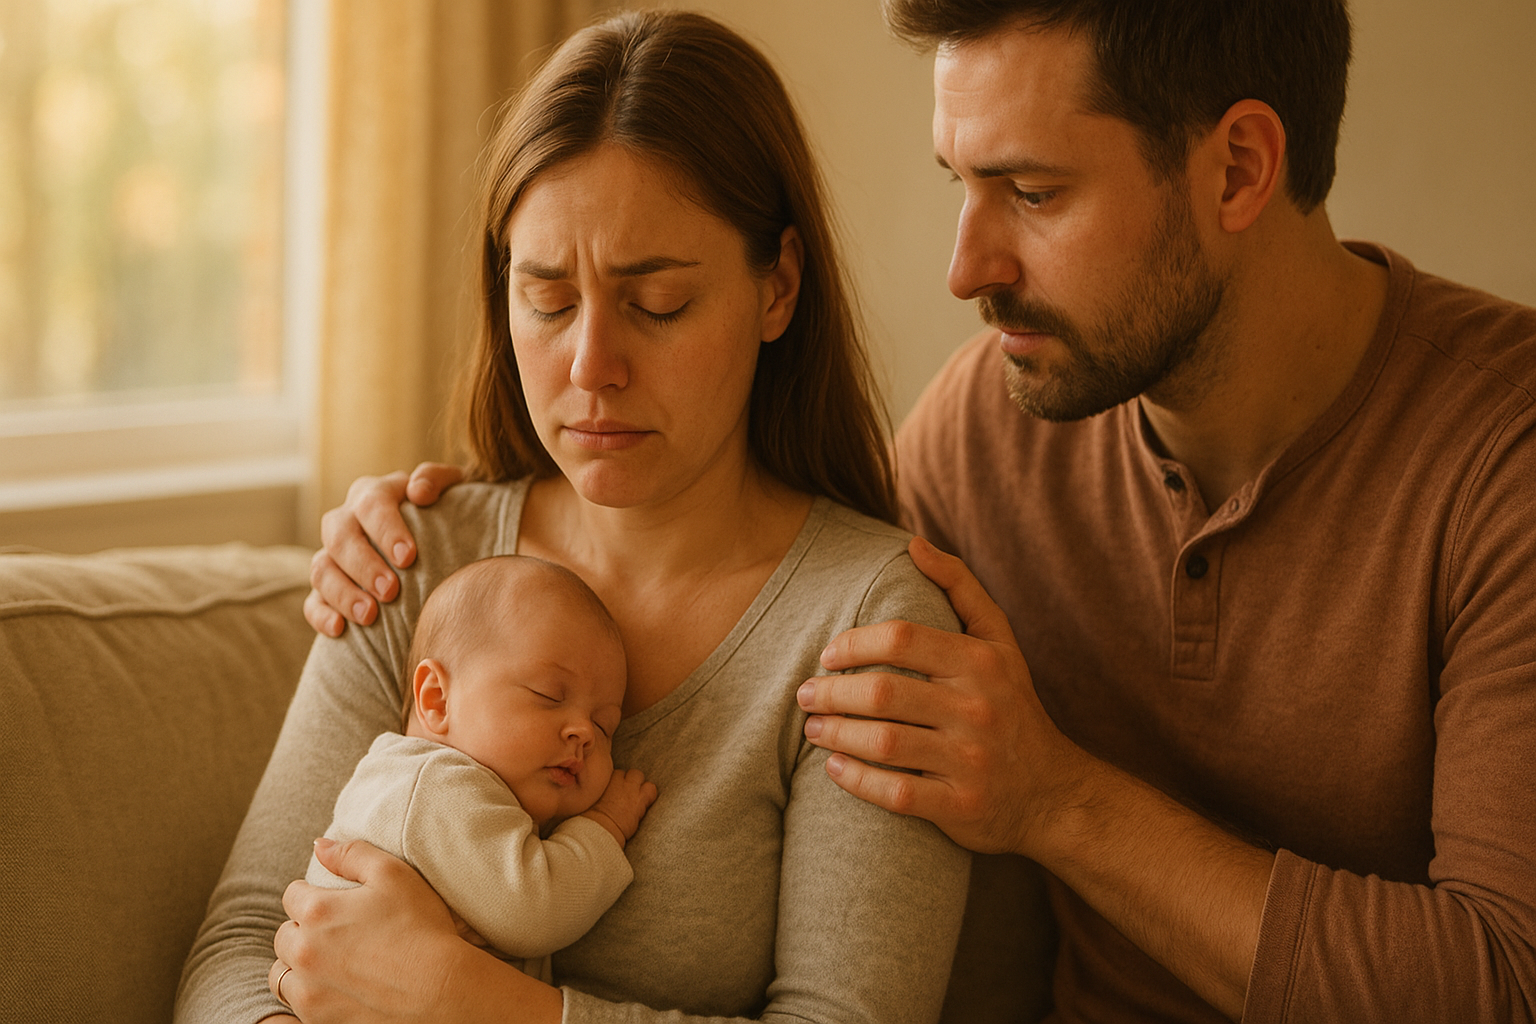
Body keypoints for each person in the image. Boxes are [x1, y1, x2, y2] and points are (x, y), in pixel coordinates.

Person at [308, 0, 1536, 1021]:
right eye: (959, 182)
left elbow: (1505, 977)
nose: (967, 265)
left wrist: (1059, 798)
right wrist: (426, 534)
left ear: (1240, 168)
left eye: (1033, 193)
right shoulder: (988, 429)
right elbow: (769, 568)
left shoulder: (1503, 457)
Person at [175, 10, 975, 1024]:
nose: (592, 367)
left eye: (660, 304)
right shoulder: (417, 560)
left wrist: (474, 1001)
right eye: (547, 301)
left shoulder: (867, 628)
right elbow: (244, 940)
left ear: (778, 286)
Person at [302, 555, 657, 988]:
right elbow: (533, 910)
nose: (584, 732)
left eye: (605, 726)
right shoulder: (434, 786)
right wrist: (605, 826)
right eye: (548, 694)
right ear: (436, 700)